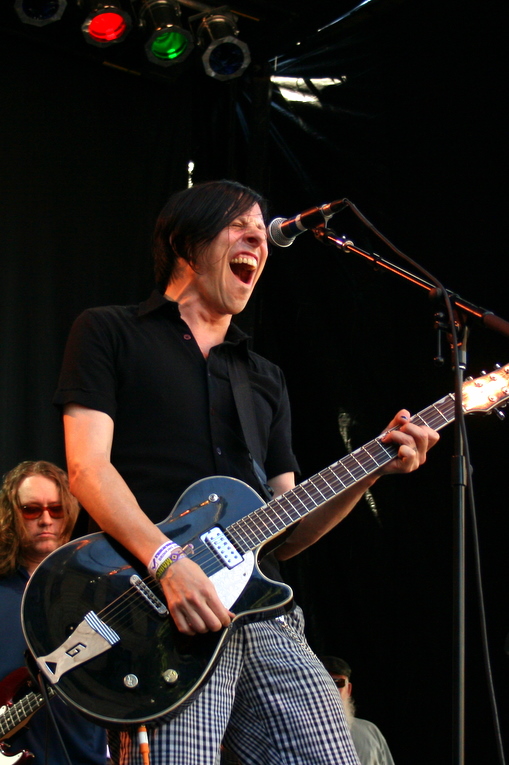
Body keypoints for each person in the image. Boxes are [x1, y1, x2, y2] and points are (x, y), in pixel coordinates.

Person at [54, 179, 439, 765]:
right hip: (161, 611)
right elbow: (86, 469)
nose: (258, 238)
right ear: (187, 243)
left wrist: (371, 470)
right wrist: (169, 562)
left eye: (262, 231)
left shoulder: (263, 376)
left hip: (263, 613)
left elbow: (289, 527)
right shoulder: (110, 331)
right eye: (239, 225)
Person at [0, 459, 108, 764]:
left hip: (82, 755)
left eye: (56, 509)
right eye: (32, 510)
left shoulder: (96, 590)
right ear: (12, 514)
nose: (46, 520)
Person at [321, 656, 395, 765]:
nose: (331, 690)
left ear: (349, 689)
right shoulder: (294, 734)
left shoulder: (370, 731)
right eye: (324, 683)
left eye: (338, 683)